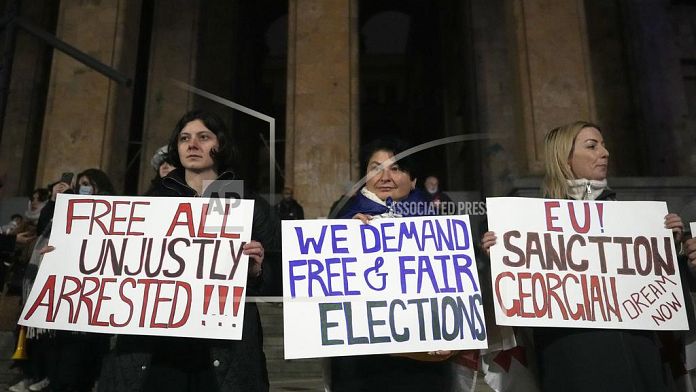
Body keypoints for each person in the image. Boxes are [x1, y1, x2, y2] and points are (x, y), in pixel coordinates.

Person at [482, 121, 683, 392]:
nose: (605, 152)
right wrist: (498, 256)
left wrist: (674, 248)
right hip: (573, 358)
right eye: (592, 146)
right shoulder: (531, 225)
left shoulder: (635, 221)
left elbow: (665, 297)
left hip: (637, 357)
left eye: (604, 144)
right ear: (565, 159)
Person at [98, 109, 279, 392]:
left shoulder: (249, 206)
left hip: (221, 351)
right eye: (184, 138)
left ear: (220, 145)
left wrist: (257, 272)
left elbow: (275, 281)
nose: (192, 145)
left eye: (203, 137)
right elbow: (114, 260)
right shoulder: (150, 203)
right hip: (157, 351)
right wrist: (64, 256)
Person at [329, 138, 453, 392]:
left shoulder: (439, 227)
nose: (385, 176)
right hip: (361, 368)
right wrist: (345, 236)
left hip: (424, 366)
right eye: (376, 168)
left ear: (414, 181)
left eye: (395, 169)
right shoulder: (340, 218)